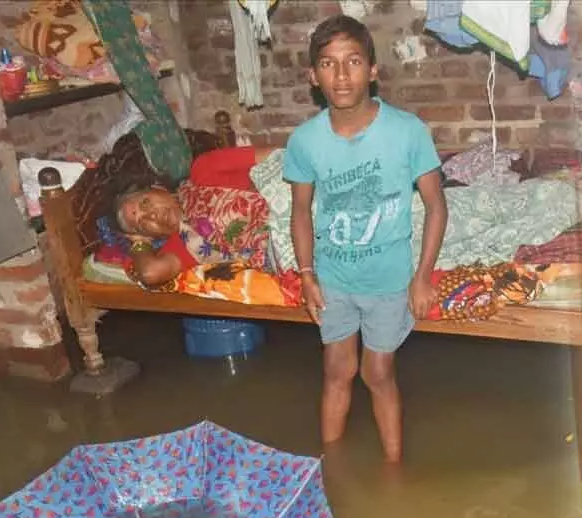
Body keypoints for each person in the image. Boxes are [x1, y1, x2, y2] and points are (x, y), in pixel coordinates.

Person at [283, 15, 448, 463]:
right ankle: (328, 474)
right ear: (313, 77)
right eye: (328, 64)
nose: (341, 75)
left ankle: (394, 470)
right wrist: (306, 274)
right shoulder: (304, 141)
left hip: (389, 280)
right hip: (333, 278)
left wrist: (423, 277)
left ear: (373, 70)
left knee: (378, 373)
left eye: (353, 61)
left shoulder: (407, 131)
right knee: (337, 369)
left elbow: (436, 206)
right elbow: (300, 210)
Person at [113, 145, 278, 287]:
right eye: (143, 223)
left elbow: (279, 157)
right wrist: (138, 243)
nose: (152, 215)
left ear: (158, 188)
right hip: (284, 254)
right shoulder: (183, 246)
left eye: (145, 203)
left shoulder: (204, 169)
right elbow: (150, 273)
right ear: (149, 236)